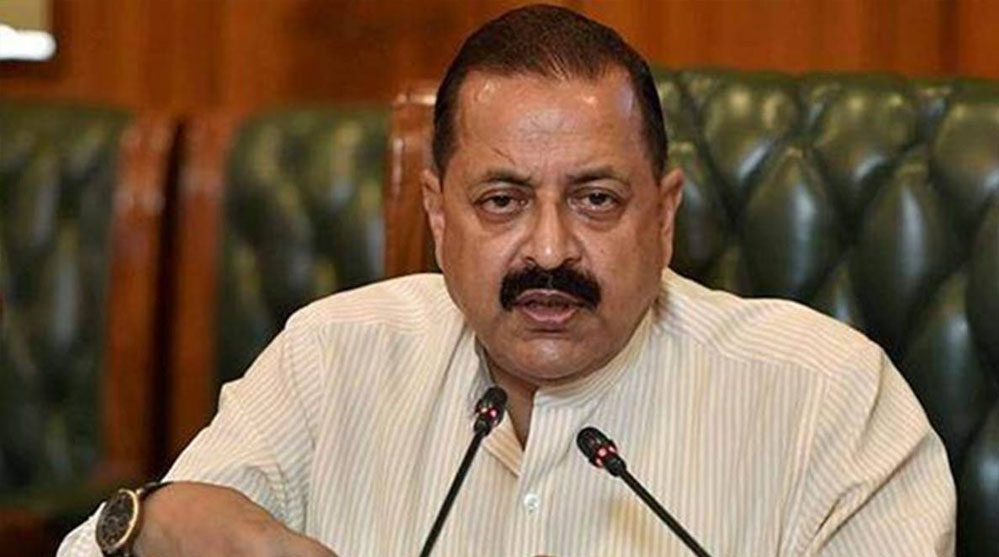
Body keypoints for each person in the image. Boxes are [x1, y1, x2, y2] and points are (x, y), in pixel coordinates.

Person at [59, 5, 955, 556]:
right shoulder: (330, 361)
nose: (549, 249)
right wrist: (144, 525)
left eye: (597, 199)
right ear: (437, 215)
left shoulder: (829, 401)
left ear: (663, 215)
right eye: (502, 200)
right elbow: (130, 542)